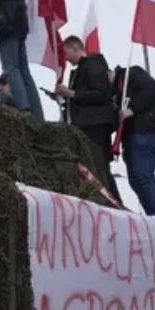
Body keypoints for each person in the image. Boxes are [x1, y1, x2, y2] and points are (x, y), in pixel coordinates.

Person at [55, 36, 121, 203]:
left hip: (95, 125)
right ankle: (109, 200)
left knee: (99, 167)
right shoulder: (82, 69)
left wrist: (72, 93)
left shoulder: (93, 65)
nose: (66, 58)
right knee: (94, 167)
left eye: (66, 52)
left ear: (76, 47)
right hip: (87, 124)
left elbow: (100, 94)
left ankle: (112, 201)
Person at [112, 64, 155, 215]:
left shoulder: (131, 74)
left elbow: (152, 88)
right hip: (131, 135)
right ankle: (153, 215)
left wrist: (132, 109)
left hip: (147, 128)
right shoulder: (114, 93)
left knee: (142, 174)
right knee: (135, 179)